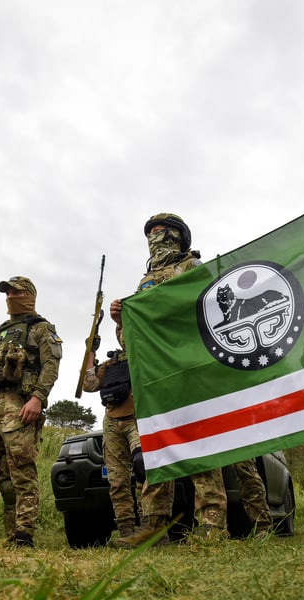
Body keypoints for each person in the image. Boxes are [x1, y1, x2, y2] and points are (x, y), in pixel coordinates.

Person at [111, 213, 228, 546]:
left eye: (162, 233)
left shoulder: (193, 269)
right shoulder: (144, 283)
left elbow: (212, 313)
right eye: (151, 233)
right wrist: (122, 321)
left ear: (178, 237)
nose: (155, 238)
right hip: (156, 379)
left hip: (191, 370)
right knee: (157, 446)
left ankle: (211, 524)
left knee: (199, 442)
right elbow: (131, 343)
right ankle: (155, 525)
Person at [0, 276, 61, 547]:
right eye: (7, 292)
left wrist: (38, 397)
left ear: (29, 294)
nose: (10, 297)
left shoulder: (41, 328)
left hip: (18, 403)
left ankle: (23, 535)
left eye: (16, 292)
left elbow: (51, 364)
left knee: (21, 473)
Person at [81, 347, 143, 540]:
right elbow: (88, 384)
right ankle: (126, 531)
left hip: (139, 418)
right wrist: (90, 352)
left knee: (144, 470)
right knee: (116, 479)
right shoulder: (111, 364)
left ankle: (149, 527)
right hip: (113, 421)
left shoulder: (144, 355)